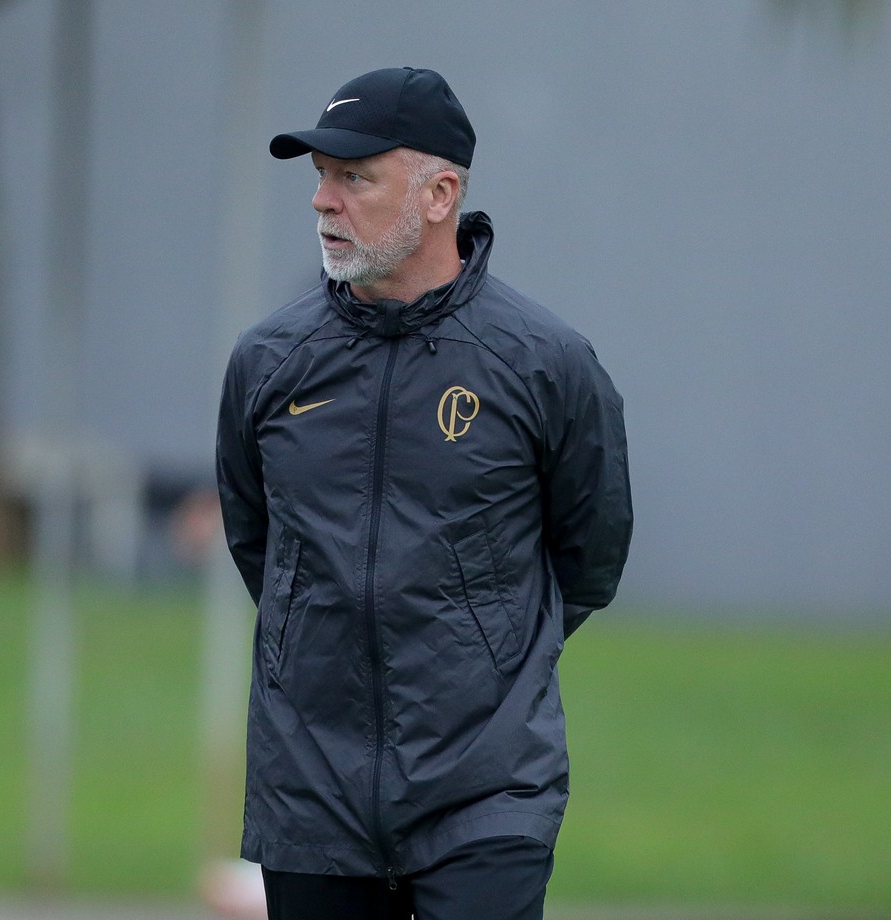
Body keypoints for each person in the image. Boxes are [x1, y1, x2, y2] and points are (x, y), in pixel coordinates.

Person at [216, 66, 633, 920]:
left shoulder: (544, 363)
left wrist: (482, 644)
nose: (324, 201)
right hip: (310, 788)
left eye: (354, 176)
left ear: (440, 192)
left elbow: (589, 557)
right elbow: (258, 540)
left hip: (486, 788)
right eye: (320, 177)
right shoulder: (267, 361)